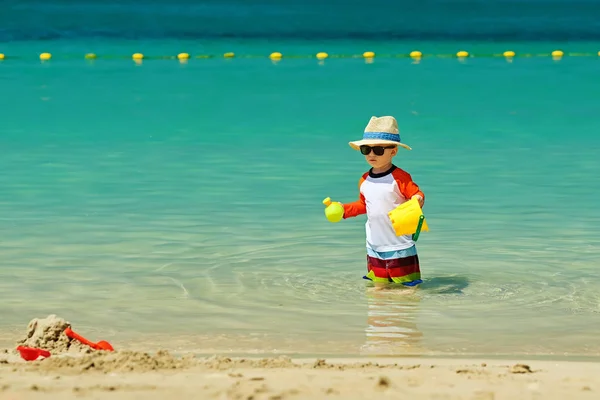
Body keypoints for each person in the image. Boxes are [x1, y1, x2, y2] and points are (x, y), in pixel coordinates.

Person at [341, 116, 425, 289]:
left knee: (407, 288)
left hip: (399, 244)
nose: (371, 154)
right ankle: (379, 314)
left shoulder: (400, 177)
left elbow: (416, 193)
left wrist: (417, 199)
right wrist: (344, 210)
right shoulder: (364, 179)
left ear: (393, 152)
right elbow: (365, 205)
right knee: (378, 288)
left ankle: (404, 315)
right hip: (374, 244)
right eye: (366, 149)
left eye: (378, 150)